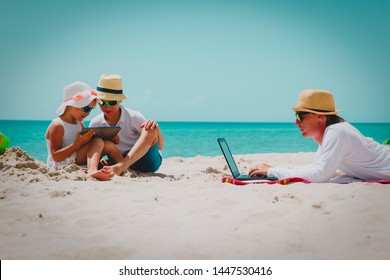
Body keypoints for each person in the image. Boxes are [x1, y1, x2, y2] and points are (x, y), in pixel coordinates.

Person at [249, 89, 390, 182]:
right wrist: (274, 169)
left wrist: (273, 171)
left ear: (320, 117)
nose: (296, 123)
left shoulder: (337, 132)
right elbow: (315, 168)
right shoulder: (331, 133)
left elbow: (319, 175)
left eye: (300, 116)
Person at [89, 74, 164, 175]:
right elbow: (94, 148)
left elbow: (160, 146)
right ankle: (121, 165)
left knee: (149, 128)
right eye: (102, 102)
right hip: (119, 160)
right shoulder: (96, 122)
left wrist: (156, 128)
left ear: (120, 100)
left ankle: (122, 166)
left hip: (147, 160)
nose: (107, 107)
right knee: (98, 141)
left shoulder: (134, 117)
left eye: (111, 102)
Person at [46, 81, 121, 180]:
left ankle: (122, 165)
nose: (88, 113)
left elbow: (88, 145)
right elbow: (55, 157)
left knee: (107, 144)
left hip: (76, 157)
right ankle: (92, 170)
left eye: (90, 109)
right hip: (63, 163)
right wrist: (77, 144)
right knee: (97, 141)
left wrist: (110, 138)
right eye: (85, 108)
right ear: (69, 105)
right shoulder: (58, 125)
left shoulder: (79, 123)